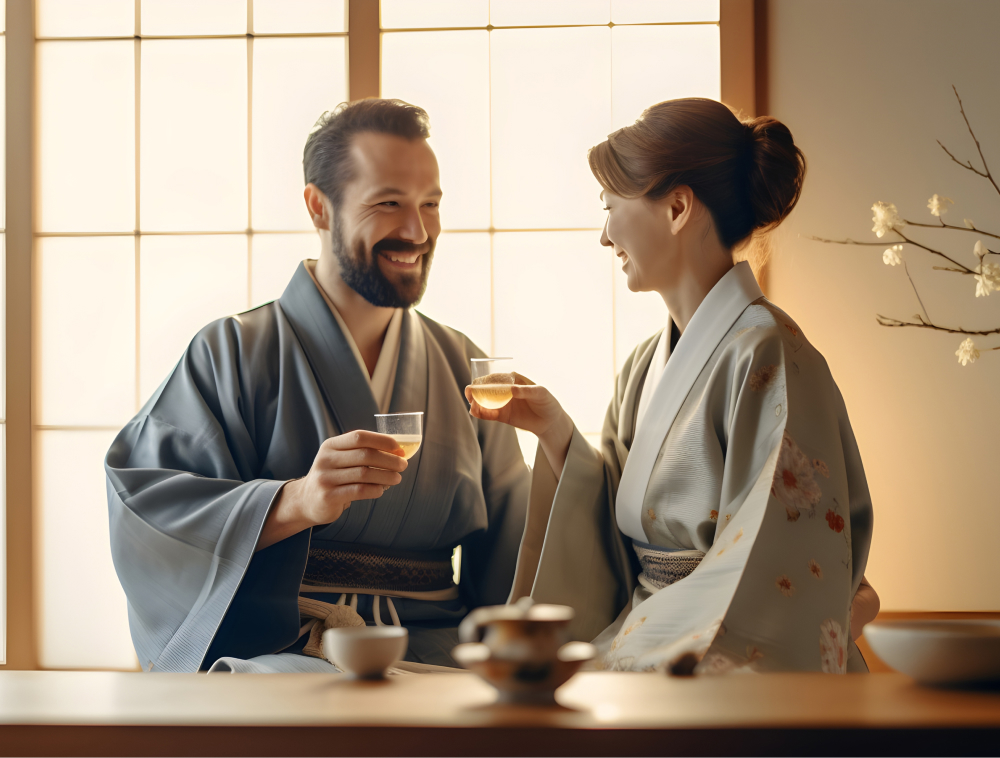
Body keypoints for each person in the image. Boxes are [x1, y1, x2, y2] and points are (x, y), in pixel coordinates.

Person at [105, 99, 530, 674]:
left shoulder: (460, 363)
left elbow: (518, 551)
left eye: (430, 204)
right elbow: (147, 506)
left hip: (438, 654)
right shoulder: (230, 352)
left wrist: (558, 446)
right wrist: (295, 501)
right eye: (388, 203)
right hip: (287, 648)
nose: (418, 230)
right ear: (319, 208)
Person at [469, 98, 879, 673]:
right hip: (648, 635)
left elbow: (771, 561)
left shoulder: (769, 352)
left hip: (708, 658)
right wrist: (558, 434)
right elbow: (619, 524)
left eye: (611, 207)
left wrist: (628, 658)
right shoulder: (644, 364)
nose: (605, 235)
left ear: (678, 207)